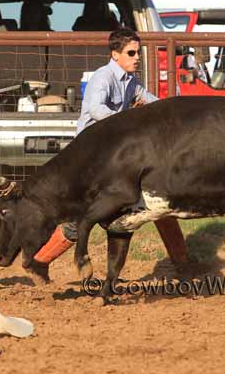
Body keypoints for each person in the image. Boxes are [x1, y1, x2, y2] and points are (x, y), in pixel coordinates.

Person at [41, 29, 189, 269]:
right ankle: (39, 261)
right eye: (131, 53)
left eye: (138, 53)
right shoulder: (103, 77)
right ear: (115, 55)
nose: (137, 58)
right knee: (80, 216)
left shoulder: (131, 80)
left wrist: (176, 110)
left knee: (160, 201)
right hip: (89, 158)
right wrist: (128, 119)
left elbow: (153, 103)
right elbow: (97, 111)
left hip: (112, 156)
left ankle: (183, 263)